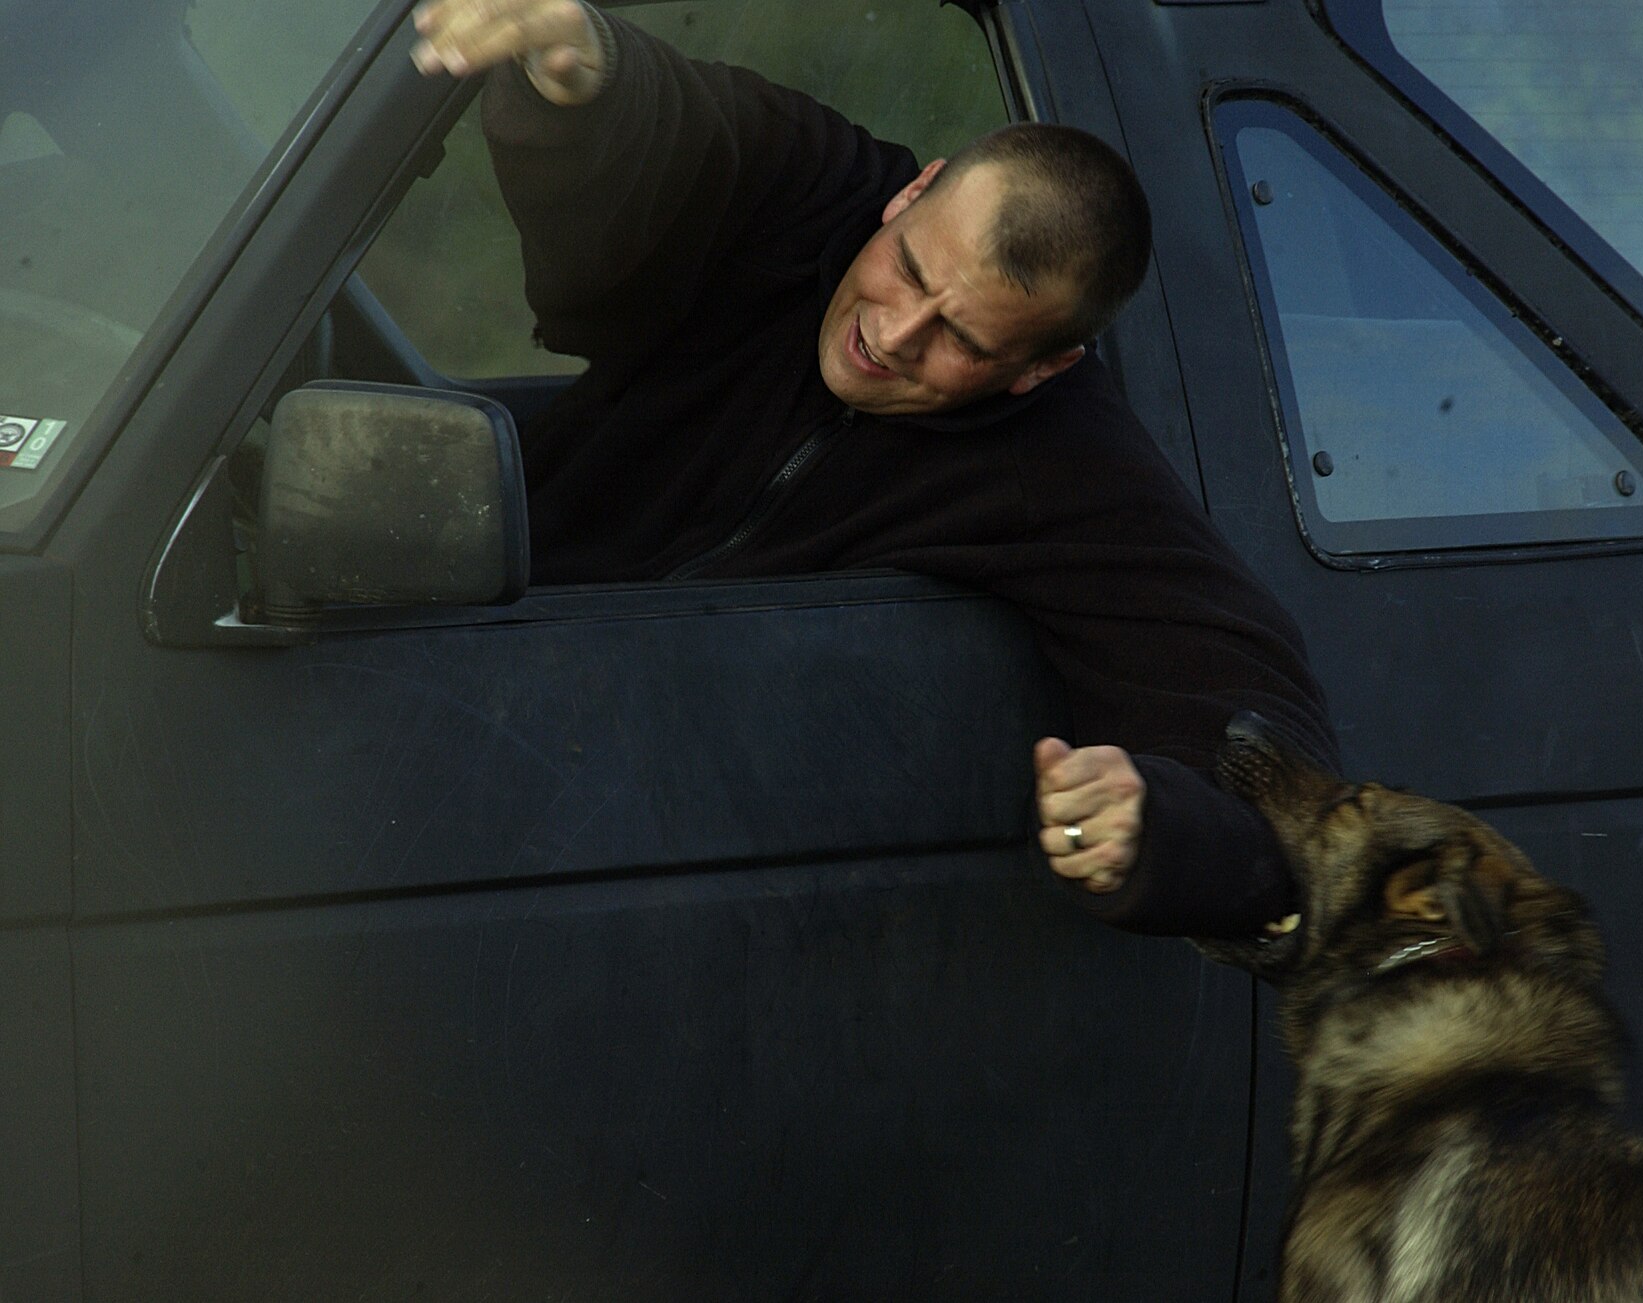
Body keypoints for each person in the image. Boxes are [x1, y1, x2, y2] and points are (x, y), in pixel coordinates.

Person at [410, 0, 1336, 937]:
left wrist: (1165, 823)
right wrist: (589, 69)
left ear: (1042, 368)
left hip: (654, 828)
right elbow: (690, 119)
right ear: (912, 192)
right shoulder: (814, 187)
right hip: (446, 681)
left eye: (962, 340)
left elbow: (1270, 737)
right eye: (909, 268)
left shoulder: (1069, 470)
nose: (891, 334)